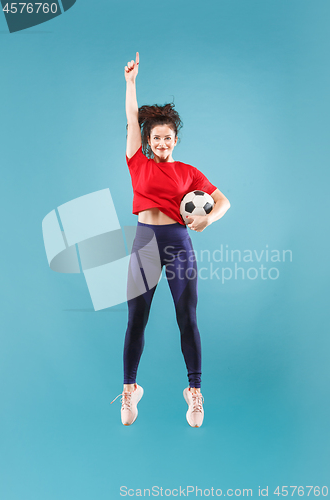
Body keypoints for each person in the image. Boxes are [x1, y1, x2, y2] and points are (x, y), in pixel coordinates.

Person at [111, 52, 230, 427]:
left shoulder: (189, 172)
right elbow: (131, 118)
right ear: (148, 139)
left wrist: (208, 219)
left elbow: (224, 201)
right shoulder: (137, 161)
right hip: (145, 242)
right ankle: (130, 389)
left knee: (187, 317)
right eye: (156, 137)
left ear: (175, 140)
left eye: (168, 138)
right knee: (136, 319)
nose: (162, 142)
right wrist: (130, 83)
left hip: (179, 243)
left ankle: (194, 393)